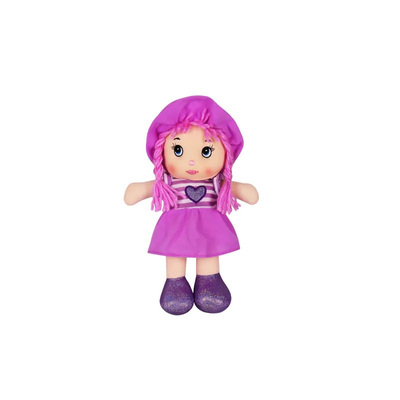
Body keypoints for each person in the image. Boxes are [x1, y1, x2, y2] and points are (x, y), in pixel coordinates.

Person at [124, 95, 258, 315]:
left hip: (209, 226)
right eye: (178, 150)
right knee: (175, 253)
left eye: (206, 152)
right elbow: (140, 192)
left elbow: (241, 192)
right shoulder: (167, 182)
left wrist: (243, 189)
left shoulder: (216, 183)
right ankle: (175, 285)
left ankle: (209, 283)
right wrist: (139, 189)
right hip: (175, 226)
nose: (192, 161)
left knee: (208, 250)